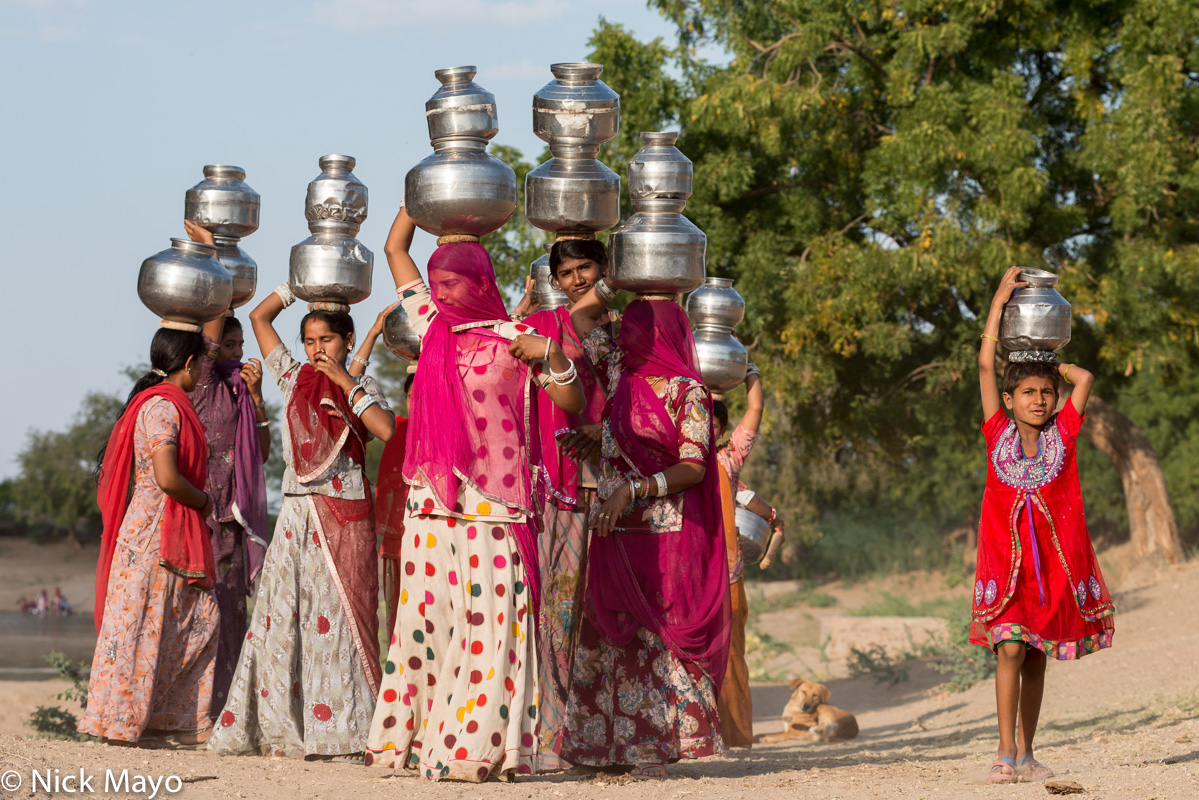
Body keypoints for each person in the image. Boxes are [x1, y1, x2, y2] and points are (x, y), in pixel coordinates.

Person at [363, 205, 584, 782]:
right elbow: (394, 250)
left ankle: (473, 749)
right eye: (436, 283)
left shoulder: (519, 339)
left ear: (482, 281)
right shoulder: (430, 325)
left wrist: (554, 359)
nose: (440, 291)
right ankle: (402, 742)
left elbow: (574, 406)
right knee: (424, 623)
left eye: (452, 281)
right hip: (432, 506)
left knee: (492, 627)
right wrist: (422, 194)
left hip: (495, 506)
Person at [208, 284, 396, 760]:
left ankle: (344, 735)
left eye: (327, 341)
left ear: (347, 341)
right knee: (283, 618)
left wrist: (345, 380)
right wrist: (299, 285)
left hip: (343, 512)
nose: (317, 350)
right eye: (310, 341)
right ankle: (282, 729)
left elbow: (386, 429)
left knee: (340, 619)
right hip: (296, 513)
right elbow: (258, 319)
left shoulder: (362, 387)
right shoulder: (293, 380)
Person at [555, 285, 731, 780]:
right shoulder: (620, 375)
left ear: (662, 335)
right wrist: (621, 278)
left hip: (661, 531)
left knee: (658, 634)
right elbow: (583, 319)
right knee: (608, 631)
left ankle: (664, 742)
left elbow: (693, 467)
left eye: (634, 329)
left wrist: (632, 490)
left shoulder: (688, 392)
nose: (621, 336)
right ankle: (605, 745)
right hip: (614, 528)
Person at [974, 267, 1113, 784]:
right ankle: (1004, 751)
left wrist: (1050, 360)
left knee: (1035, 657)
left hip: (1050, 568)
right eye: (1028, 393)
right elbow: (988, 364)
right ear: (1009, 402)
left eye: (1045, 393)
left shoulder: (1066, 433)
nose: (1038, 399)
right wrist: (1001, 300)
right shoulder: (996, 434)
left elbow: (1086, 380)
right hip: (1005, 563)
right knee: (1009, 646)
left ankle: (1029, 752)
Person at [81, 327, 219, 747]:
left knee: (188, 622)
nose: (204, 371)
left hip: (159, 534)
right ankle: (121, 725)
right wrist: (204, 503)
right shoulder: (162, 407)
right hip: (152, 537)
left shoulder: (167, 403)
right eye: (203, 363)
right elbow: (166, 477)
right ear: (190, 363)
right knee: (140, 629)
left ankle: (163, 721)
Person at [519, 238, 620, 768]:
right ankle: (558, 732)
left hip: (614, 480)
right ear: (554, 280)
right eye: (567, 272)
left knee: (600, 610)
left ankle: (605, 729)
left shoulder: (625, 326)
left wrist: (603, 430)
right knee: (556, 610)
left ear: (604, 268)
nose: (578, 279)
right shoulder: (545, 331)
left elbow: (639, 399)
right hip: (557, 482)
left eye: (587, 268)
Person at [186, 218, 272, 719]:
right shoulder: (200, 385)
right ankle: (190, 710)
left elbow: (260, 452)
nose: (237, 356)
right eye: (231, 348)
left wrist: (258, 399)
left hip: (232, 518)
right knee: (200, 610)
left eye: (242, 349)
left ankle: (225, 712)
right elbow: (211, 336)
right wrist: (211, 256)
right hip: (199, 512)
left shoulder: (239, 391)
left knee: (231, 611)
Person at [710, 370, 784, 747]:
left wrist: (750, 369)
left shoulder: (726, 460)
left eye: (711, 423)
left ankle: (735, 735)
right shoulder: (669, 460)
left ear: (722, 431)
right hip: (687, 572)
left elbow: (756, 407)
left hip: (727, 574)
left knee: (733, 655)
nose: (700, 429)